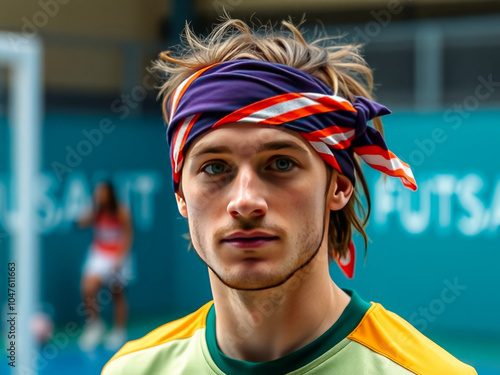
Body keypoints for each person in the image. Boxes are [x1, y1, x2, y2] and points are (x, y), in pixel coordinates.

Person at [102, 18, 476, 374]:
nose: (245, 201)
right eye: (215, 168)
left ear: (338, 186)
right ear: (181, 194)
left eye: (280, 164)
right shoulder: (131, 370)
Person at [78, 181, 133, 351]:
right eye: (97, 193)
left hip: (117, 255)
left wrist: (119, 258)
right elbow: (81, 223)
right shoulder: (96, 210)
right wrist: (89, 212)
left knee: (117, 293)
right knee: (87, 288)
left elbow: (128, 235)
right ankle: (95, 326)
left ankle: (119, 331)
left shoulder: (122, 210)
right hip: (99, 254)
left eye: (102, 192)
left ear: (110, 193)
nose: (99, 196)